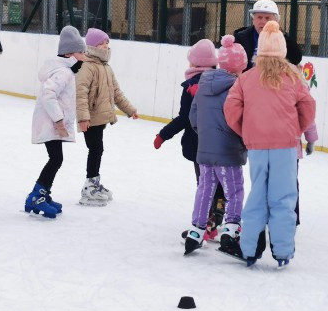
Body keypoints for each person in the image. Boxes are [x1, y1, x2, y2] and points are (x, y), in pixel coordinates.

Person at [225, 20, 316, 268]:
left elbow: (231, 109)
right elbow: (308, 107)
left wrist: (246, 131)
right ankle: (282, 251)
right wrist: (296, 130)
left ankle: (250, 249)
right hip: (284, 146)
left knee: (258, 196)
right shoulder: (293, 78)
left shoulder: (246, 78)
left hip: (256, 145)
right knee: (283, 198)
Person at [153, 38, 228, 236]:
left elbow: (185, 118)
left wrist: (163, 134)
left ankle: (207, 222)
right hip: (221, 142)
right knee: (220, 179)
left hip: (199, 144)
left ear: (194, 63)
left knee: (204, 183)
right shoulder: (224, 80)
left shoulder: (191, 86)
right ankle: (218, 212)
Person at [185, 34, 248, 256]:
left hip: (205, 149)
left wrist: (205, 136)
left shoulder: (203, 84)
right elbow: (240, 119)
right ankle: (230, 232)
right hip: (228, 151)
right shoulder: (238, 88)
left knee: (205, 189)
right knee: (235, 191)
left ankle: (196, 230)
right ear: (241, 66)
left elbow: (194, 117)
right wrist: (243, 141)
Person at [26, 26, 88, 218]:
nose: (84, 57)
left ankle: (42, 194)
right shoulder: (63, 72)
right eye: (81, 53)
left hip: (50, 123)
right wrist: (59, 121)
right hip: (51, 124)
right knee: (56, 159)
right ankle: (37, 196)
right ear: (70, 54)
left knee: (56, 159)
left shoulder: (63, 69)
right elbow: (48, 94)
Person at [75, 28, 139, 205]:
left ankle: (93, 182)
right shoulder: (87, 67)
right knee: (95, 150)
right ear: (93, 46)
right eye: (102, 43)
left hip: (100, 118)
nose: (106, 46)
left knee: (97, 150)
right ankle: (89, 187)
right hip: (91, 118)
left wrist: (130, 110)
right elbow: (80, 93)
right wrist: (83, 118)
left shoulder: (106, 68)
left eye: (107, 43)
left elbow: (117, 93)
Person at [233, 0, 303, 70]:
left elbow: (296, 58)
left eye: (267, 18)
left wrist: (282, 36)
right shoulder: (241, 38)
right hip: (248, 79)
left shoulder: (282, 38)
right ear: (253, 20)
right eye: (259, 17)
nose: (263, 22)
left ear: (276, 21)